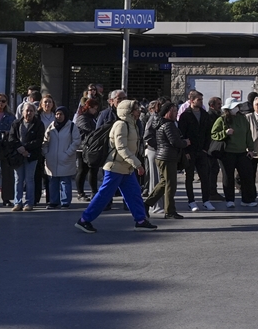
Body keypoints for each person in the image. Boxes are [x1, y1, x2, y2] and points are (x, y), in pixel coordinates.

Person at [76, 99, 157, 233]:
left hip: (126, 168)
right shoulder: (121, 125)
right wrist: (137, 164)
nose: (138, 111)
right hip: (115, 167)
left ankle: (141, 220)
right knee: (104, 195)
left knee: (135, 194)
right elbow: (122, 148)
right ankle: (84, 220)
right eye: (136, 109)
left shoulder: (133, 125)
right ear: (128, 111)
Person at [144, 101, 187, 218]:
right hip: (167, 157)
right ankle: (169, 211)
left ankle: (147, 204)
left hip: (165, 156)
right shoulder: (168, 125)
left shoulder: (164, 123)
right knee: (170, 185)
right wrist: (185, 142)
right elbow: (175, 142)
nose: (176, 113)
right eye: (173, 111)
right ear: (167, 112)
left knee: (164, 183)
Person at [211, 98, 254, 209]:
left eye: (238, 106)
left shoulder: (243, 119)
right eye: (234, 106)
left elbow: (248, 134)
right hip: (227, 153)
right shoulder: (222, 119)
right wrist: (225, 133)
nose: (237, 108)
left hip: (242, 152)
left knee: (246, 176)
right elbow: (214, 134)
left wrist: (250, 149)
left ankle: (247, 199)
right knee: (228, 177)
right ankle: (230, 200)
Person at [178, 90, 216, 212]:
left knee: (205, 176)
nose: (201, 102)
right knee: (189, 177)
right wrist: (186, 151)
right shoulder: (185, 115)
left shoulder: (204, 115)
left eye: (201, 100)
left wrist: (206, 148)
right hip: (190, 151)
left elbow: (208, 133)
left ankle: (206, 200)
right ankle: (191, 201)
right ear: (191, 100)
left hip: (202, 151)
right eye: (198, 99)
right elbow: (182, 134)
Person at [42, 105, 80, 208]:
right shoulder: (51, 126)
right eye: (57, 114)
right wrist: (46, 153)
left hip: (66, 159)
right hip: (52, 159)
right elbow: (45, 141)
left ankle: (65, 202)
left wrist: (68, 153)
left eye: (61, 114)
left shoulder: (72, 126)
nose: (58, 116)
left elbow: (76, 141)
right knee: (53, 181)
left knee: (65, 181)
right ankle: (54, 202)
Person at [9, 102, 45, 211]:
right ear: (22, 111)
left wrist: (25, 148)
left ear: (34, 112)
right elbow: (11, 138)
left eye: (31, 111)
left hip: (32, 155)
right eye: (27, 110)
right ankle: (17, 202)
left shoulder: (39, 124)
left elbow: (39, 140)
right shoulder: (16, 123)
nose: (28, 113)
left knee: (30, 179)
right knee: (18, 179)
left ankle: (29, 202)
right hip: (18, 155)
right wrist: (19, 148)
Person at [74, 95, 101, 200]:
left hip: (92, 147)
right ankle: (80, 192)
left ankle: (94, 191)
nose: (96, 110)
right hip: (83, 147)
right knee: (82, 170)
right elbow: (88, 130)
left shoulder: (93, 118)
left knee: (93, 170)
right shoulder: (82, 117)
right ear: (89, 107)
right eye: (94, 108)